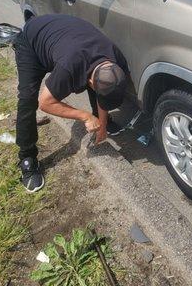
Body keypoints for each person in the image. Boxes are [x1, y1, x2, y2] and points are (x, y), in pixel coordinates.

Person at [14, 14, 128, 193]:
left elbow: (103, 89)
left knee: (99, 86)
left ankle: (101, 121)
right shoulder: (71, 66)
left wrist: (103, 125)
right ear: (89, 82)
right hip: (31, 43)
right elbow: (45, 103)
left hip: (62, 37)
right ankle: (27, 158)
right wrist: (85, 116)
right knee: (27, 99)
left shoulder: (116, 58)